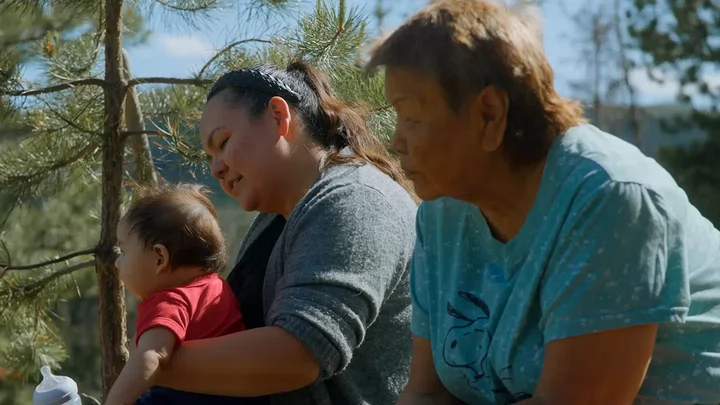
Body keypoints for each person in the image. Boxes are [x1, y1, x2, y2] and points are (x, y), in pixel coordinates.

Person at [366, 1, 720, 404]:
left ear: (489, 113)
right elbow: (427, 393)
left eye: (410, 116)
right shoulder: (442, 212)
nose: (396, 141)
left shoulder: (610, 197)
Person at [147, 61, 419, 405]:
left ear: (279, 116)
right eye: (210, 156)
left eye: (223, 142)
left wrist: (152, 363)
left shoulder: (356, 199)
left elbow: (297, 355)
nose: (216, 167)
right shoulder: (277, 218)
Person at [106, 183, 256, 405]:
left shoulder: (170, 302)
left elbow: (153, 356)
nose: (118, 263)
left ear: (159, 258)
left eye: (124, 251)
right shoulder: (217, 288)